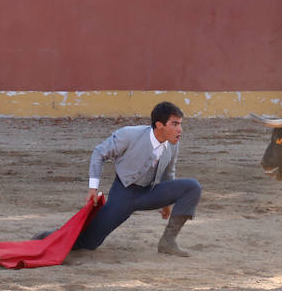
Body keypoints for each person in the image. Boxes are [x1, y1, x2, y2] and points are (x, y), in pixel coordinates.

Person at [64, 101, 202, 257]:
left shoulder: (173, 145)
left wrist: (167, 204)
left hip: (149, 194)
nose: (180, 130)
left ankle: (168, 242)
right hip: (123, 195)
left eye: (180, 124)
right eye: (175, 124)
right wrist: (93, 189)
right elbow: (99, 153)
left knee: (192, 187)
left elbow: (168, 174)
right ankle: (46, 238)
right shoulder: (129, 134)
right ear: (159, 125)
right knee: (87, 243)